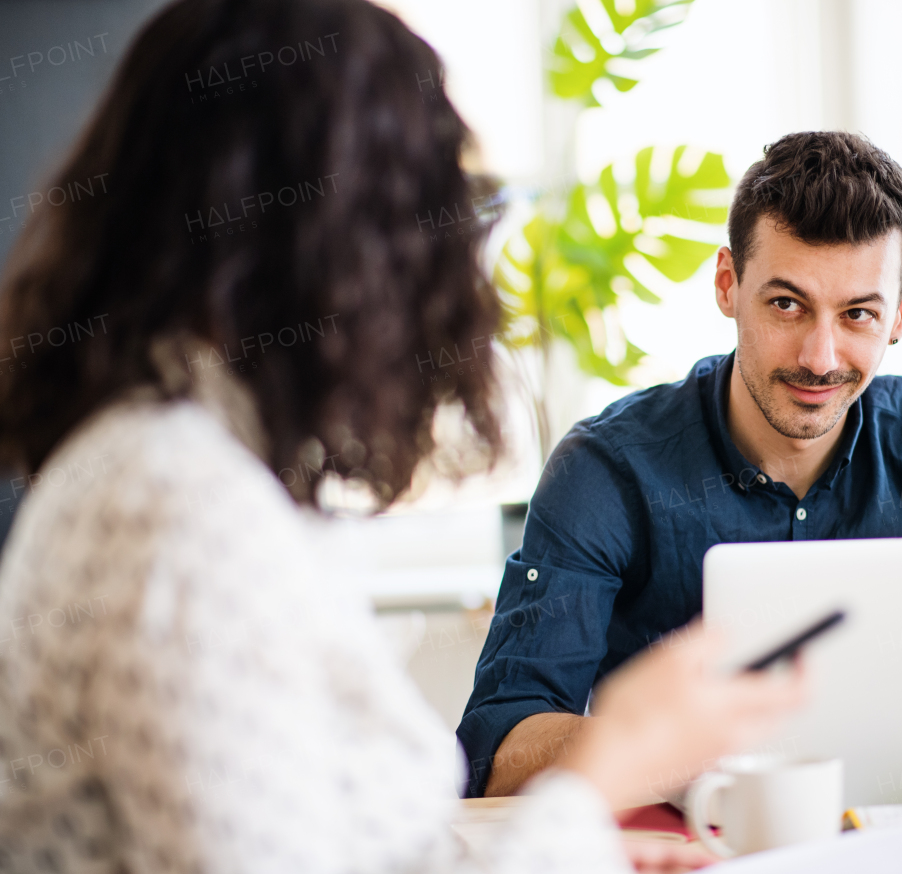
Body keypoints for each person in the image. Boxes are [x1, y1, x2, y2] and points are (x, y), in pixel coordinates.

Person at [0, 1, 806, 871]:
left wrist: (575, 854)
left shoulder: (198, 472)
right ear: (331, 241)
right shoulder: (174, 508)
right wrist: (610, 763)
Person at [460, 130, 902, 799]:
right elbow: (499, 748)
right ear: (728, 284)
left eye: (857, 314)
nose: (820, 357)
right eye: (787, 304)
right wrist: (672, 746)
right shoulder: (606, 470)